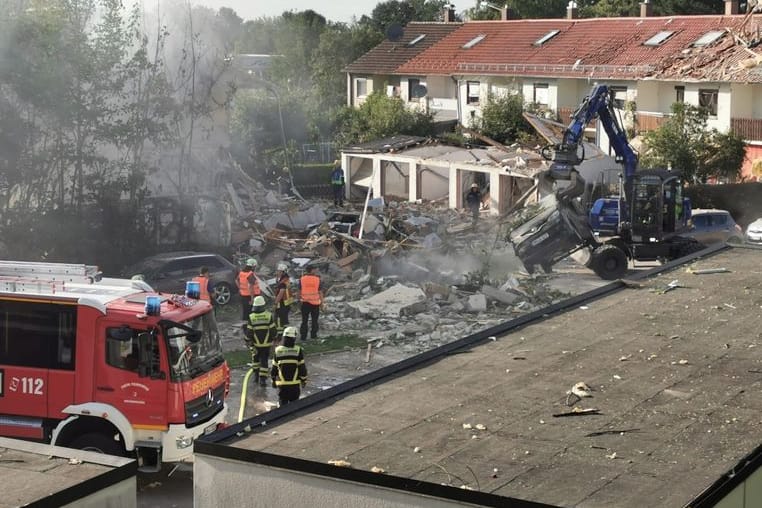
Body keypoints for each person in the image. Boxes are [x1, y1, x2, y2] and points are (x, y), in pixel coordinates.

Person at [270, 326, 307, 406]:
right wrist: (304, 380)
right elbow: (302, 368)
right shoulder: (297, 350)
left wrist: (273, 381)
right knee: (294, 408)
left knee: (282, 409)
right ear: (294, 338)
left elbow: (274, 369)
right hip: (294, 385)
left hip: (282, 386)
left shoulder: (278, 350)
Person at [246, 295, 276, 386]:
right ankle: (262, 380)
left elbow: (249, 331)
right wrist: (275, 338)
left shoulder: (251, 317)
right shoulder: (268, 315)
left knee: (255, 360)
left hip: (255, 344)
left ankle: (256, 377)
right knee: (264, 361)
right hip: (266, 344)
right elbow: (272, 330)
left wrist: (248, 340)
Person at [299, 264, 324, 342]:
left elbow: (299, 291)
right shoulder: (317, 279)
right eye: (315, 269)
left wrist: (299, 300)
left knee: (304, 320)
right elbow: (320, 292)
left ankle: (303, 336)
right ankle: (313, 335)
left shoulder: (302, 279)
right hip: (315, 303)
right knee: (314, 320)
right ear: (312, 270)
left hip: (305, 303)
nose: (316, 271)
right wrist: (322, 303)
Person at [193, 266, 219, 334]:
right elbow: (213, 295)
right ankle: (214, 337)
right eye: (208, 273)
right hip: (206, 305)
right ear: (206, 273)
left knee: (196, 322)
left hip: (196, 305)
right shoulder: (207, 281)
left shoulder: (194, 280)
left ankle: (191, 336)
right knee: (211, 322)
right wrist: (215, 293)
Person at [273, 262, 294, 337]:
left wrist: (275, 303)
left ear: (283, 272)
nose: (277, 272)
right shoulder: (286, 279)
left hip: (282, 303)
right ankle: (286, 333)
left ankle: (280, 335)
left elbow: (281, 293)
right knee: (285, 320)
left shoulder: (282, 282)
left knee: (279, 320)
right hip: (286, 303)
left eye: (279, 271)